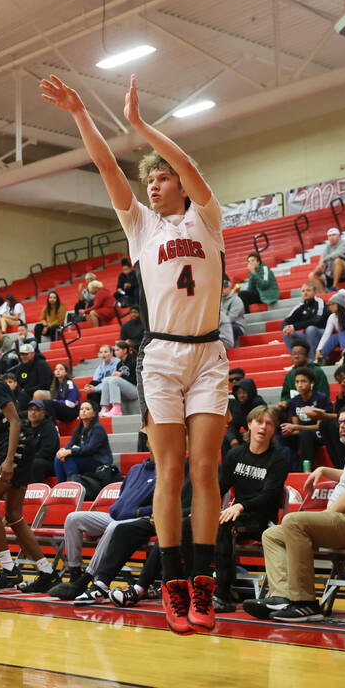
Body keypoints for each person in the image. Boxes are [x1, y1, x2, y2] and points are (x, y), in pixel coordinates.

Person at [42, 72, 226, 635]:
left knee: (205, 469)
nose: (153, 185)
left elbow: (190, 165)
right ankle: (171, 583)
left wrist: (143, 127)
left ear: (180, 185)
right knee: (169, 472)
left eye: (162, 178)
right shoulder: (141, 226)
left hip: (209, 354)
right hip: (164, 358)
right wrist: (80, 114)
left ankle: (203, 583)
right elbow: (105, 168)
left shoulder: (207, 218)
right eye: (150, 179)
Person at [246, 405, 345, 622]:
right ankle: (283, 596)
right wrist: (324, 470)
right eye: (340, 422)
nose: (342, 426)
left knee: (294, 522)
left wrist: (324, 516)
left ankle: (305, 603)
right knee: (271, 535)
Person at [0, 351, 59, 594]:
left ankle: (8, 569)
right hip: (12, 445)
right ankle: (47, 572)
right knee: (14, 515)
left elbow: (16, 422)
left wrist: (8, 461)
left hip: (16, 446)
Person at [49, 455, 157, 601]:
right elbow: (123, 495)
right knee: (72, 518)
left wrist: (139, 512)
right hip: (116, 516)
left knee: (114, 527)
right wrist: (119, 507)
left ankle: (88, 578)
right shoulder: (135, 469)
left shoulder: (164, 471)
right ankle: (75, 573)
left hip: (138, 520)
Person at [213, 406, 289, 611]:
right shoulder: (235, 454)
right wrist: (203, 508)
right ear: (249, 424)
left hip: (262, 520)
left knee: (224, 526)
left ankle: (222, 595)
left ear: (274, 430)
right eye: (259, 422)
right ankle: (187, 586)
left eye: (269, 423)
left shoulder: (278, 461)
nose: (263, 427)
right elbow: (219, 487)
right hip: (237, 515)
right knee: (190, 523)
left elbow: (269, 496)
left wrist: (241, 505)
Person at [281, 367, 334, 469]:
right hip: (303, 433)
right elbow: (296, 428)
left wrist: (296, 427)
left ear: (312, 383)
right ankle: (288, 470)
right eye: (297, 382)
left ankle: (307, 470)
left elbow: (319, 427)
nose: (299, 385)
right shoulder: (293, 402)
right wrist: (289, 430)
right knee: (280, 437)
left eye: (303, 381)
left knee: (306, 434)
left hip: (321, 434)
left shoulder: (321, 398)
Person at [54, 402, 113, 484]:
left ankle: (74, 485)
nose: (83, 411)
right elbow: (71, 444)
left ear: (94, 413)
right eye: (81, 409)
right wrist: (63, 450)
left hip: (99, 462)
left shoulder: (98, 428)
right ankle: (60, 485)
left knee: (68, 457)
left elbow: (89, 449)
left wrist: (70, 451)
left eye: (87, 409)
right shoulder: (79, 428)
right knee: (58, 457)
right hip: (86, 458)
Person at [314, 290, 345, 365]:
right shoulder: (332, 317)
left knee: (342, 333)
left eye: (332, 304)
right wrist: (319, 349)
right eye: (329, 304)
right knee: (334, 337)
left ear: (339, 305)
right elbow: (326, 334)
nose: (330, 307)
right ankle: (321, 357)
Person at [280, 282, 328, 352]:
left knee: (310, 329)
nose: (305, 293)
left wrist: (295, 327)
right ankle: (297, 360)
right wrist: (286, 328)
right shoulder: (300, 306)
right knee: (286, 333)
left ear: (315, 292)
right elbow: (286, 321)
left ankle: (313, 359)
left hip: (323, 334)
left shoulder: (320, 302)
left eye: (308, 290)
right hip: (308, 336)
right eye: (303, 291)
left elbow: (317, 320)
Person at [26, 398, 63, 483]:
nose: (33, 412)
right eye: (30, 410)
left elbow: (47, 452)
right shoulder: (25, 428)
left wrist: (27, 459)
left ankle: (37, 492)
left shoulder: (49, 427)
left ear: (43, 412)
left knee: (36, 464)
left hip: (49, 463)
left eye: (37, 410)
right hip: (30, 460)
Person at [98, 339, 137, 417]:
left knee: (114, 380)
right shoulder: (119, 364)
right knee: (106, 379)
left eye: (117, 350)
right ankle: (104, 408)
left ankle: (117, 409)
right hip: (125, 391)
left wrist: (121, 376)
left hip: (135, 390)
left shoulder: (134, 361)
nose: (115, 352)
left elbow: (135, 380)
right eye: (115, 350)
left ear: (125, 350)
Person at [309, 228, 345, 292]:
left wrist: (323, 261)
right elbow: (322, 263)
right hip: (332, 274)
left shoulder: (344, 244)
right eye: (329, 236)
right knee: (312, 275)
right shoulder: (327, 248)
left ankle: (334, 286)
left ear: (339, 236)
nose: (331, 237)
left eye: (334, 235)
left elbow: (336, 254)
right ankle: (323, 295)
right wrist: (320, 268)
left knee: (337, 261)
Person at [220, 277, 245, 348]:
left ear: (230, 288)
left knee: (226, 329)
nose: (222, 290)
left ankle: (227, 349)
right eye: (221, 288)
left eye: (225, 287)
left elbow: (232, 318)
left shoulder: (237, 300)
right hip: (223, 324)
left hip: (237, 325)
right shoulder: (218, 301)